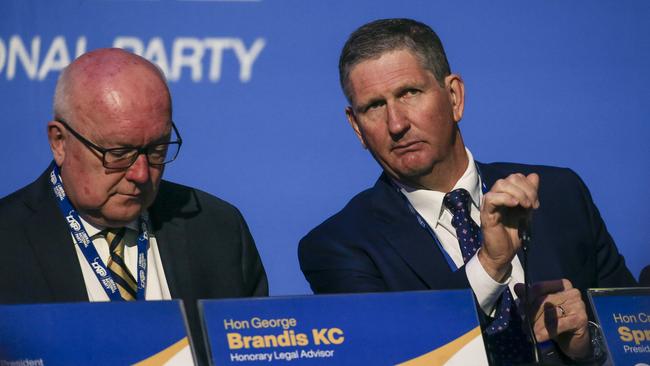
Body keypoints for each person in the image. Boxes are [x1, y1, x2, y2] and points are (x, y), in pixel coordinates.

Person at [298, 18, 637, 364]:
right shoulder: (337, 246)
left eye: (409, 93)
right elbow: (398, 355)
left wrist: (589, 345)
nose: (396, 124)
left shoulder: (560, 195)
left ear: (454, 96)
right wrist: (489, 265)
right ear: (356, 127)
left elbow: (636, 338)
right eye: (373, 106)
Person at [0, 48, 267, 364]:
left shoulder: (217, 228)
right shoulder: (8, 240)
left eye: (156, 149)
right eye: (118, 153)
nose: (141, 174)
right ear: (59, 141)